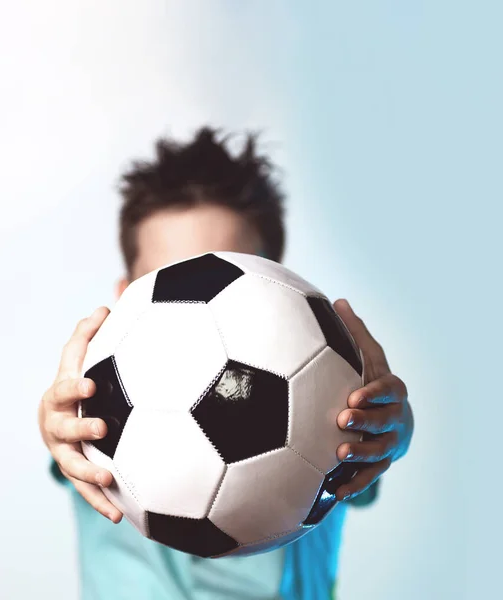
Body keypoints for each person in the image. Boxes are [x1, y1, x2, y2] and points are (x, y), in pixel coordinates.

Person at [38, 127, 414, 599]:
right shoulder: (99, 406)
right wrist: (53, 422)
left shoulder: (326, 397)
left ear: (277, 281)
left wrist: (393, 432)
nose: (199, 314)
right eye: (173, 283)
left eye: (220, 271)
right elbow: (66, 443)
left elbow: (366, 454)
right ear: (126, 301)